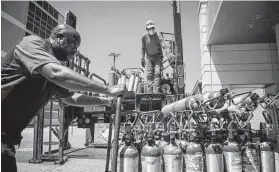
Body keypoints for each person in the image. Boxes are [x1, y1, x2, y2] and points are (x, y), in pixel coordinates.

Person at [1, 24, 127, 172]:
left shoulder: (49, 70)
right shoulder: (32, 43)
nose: (75, 50)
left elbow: (71, 97)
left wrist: (105, 101)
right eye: (73, 44)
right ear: (58, 38)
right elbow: (56, 73)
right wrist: (107, 89)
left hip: (7, 134)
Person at [141, 20, 172, 93]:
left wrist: (169, 57)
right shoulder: (144, 37)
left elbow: (165, 46)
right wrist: (142, 58)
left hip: (158, 57)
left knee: (157, 73)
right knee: (149, 74)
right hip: (149, 57)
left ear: (154, 28)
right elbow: (143, 48)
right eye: (150, 29)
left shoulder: (158, 35)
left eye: (153, 28)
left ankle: (155, 92)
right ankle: (149, 93)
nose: (151, 30)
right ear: (147, 29)